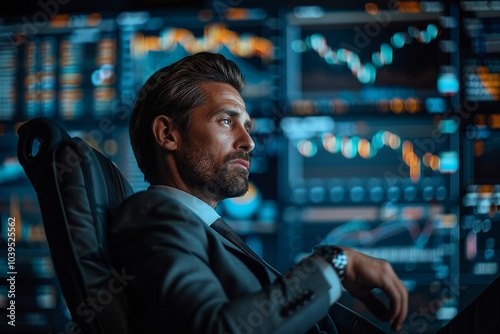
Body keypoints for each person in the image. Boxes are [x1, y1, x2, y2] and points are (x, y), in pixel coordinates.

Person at [110, 51, 408, 334]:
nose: (249, 142)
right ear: (167, 134)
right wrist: (334, 266)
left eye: (247, 126)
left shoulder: (202, 229)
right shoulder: (153, 216)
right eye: (226, 121)